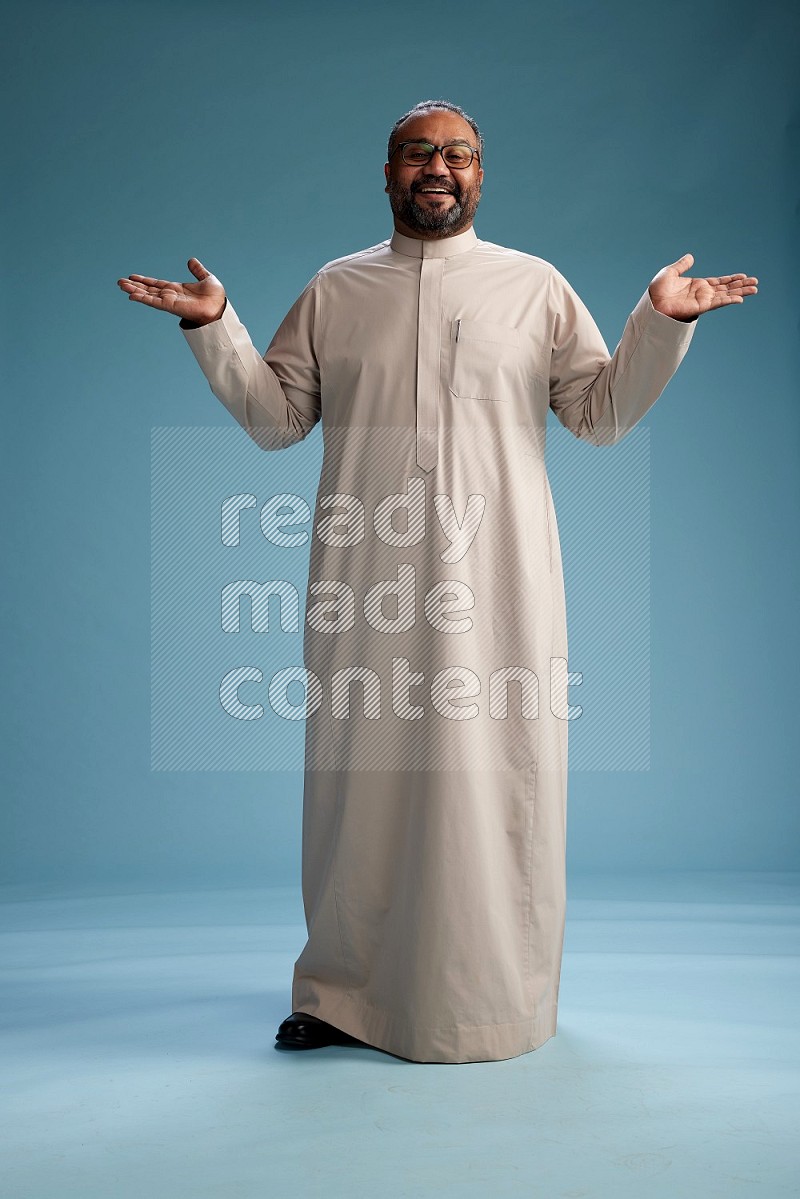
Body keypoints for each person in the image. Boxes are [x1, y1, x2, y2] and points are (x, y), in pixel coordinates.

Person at [118, 99, 757, 1064]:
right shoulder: (338, 288)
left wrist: (659, 323)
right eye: (418, 153)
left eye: (458, 153)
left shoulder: (531, 285)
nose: (438, 167)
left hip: (500, 582)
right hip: (364, 575)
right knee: (356, 780)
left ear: (482, 176)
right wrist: (218, 328)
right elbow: (276, 417)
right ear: (386, 173)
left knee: (497, 776)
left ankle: (499, 996)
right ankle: (339, 993)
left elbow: (600, 413)